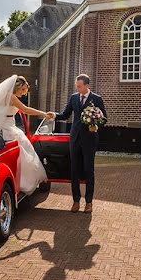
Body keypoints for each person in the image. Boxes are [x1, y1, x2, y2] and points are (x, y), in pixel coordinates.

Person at [0, 75, 52, 195]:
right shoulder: (11, 97)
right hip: (9, 130)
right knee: (24, 153)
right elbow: (26, 110)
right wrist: (44, 114)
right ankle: (22, 183)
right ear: (17, 86)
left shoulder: (1, 98)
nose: (24, 93)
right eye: (23, 90)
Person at [51, 74, 107, 213]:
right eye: (76, 85)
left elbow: (104, 118)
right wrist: (54, 115)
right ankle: (76, 201)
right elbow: (65, 114)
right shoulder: (74, 97)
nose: (77, 88)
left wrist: (97, 126)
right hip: (75, 138)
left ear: (87, 86)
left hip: (90, 139)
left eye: (79, 86)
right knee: (74, 170)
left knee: (89, 170)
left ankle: (89, 202)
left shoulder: (97, 99)